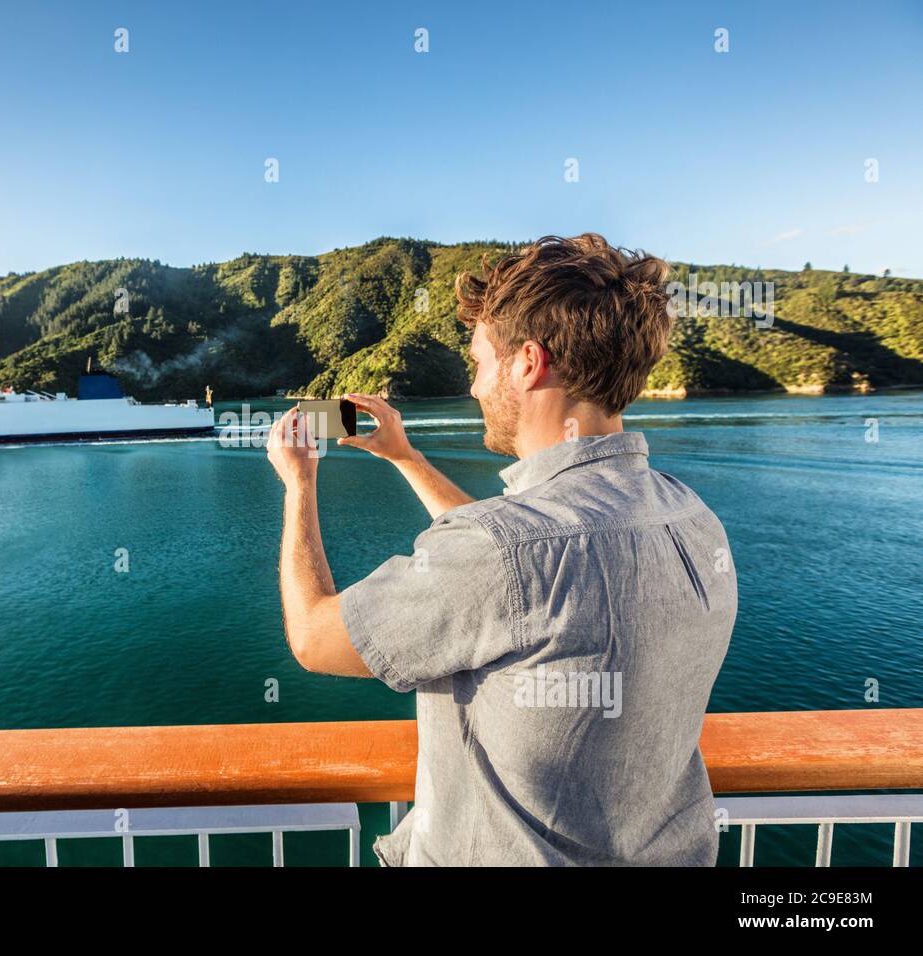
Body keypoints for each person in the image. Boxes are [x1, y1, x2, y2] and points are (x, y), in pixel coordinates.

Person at [265, 234, 736, 866]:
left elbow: (314, 638)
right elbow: (522, 574)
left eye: (480, 362)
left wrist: (300, 483)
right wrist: (405, 457)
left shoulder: (504, 551)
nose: (476, 386)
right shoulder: (691, 516)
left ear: (528, 363)